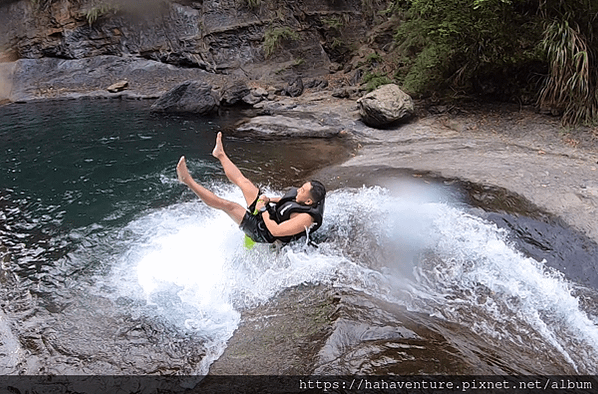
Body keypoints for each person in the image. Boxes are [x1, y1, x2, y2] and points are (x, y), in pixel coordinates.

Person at [176, 132, 326, 244]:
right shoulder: (306, 199)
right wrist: (269, 200)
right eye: (301, 187)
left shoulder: (306, 218)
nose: (298, 190)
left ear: (308, 202)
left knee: (229, 206)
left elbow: (276, 231)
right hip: (269, 214)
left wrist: (263, 210)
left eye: (302, 191)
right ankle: (220, 154)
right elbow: (288, 203)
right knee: (245, 183)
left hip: (265, 233)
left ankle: (187, 181)